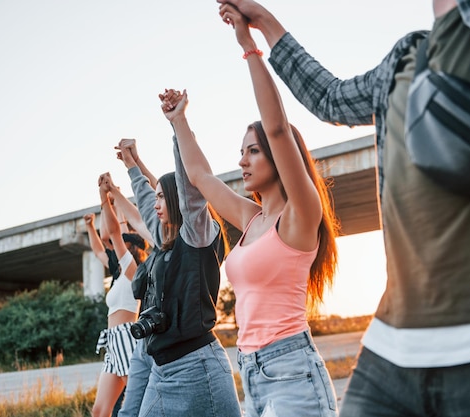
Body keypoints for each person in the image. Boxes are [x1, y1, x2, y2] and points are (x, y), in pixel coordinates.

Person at [217, 0, 470, 416]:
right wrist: (261, 24)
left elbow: (278, 132)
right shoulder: (404, 61)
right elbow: (329, 97)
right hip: (395, 348)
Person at [158, 5, 340, 416]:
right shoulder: (250, 219)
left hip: (292, 370)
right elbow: (201, 178)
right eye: (241, 152)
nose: (242, 161)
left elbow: (276, 129)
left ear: (278, 158)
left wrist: (249, 47)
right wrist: (179, 122)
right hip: (252, 371)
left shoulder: (299, 217)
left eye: (253, 152)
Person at [113, 135, 242, 416]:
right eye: (156, 196)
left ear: (176, 198)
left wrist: (177, 128)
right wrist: (132, 168)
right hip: (163, 363)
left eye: (162, 196)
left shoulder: (197, 237)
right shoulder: (165, 240)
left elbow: (189, 192)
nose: (156, 203)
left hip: (198, 365)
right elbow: (146, 205)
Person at [91, 176, 150, 417]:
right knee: (99, 410)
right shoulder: (120, 275)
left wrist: (105, 198)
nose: (118, 249)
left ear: (132, 250)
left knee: (139, 404)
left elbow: (115, 232)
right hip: (113, 342)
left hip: (127, 338)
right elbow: (114, 234)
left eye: (124, 246)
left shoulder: (132, 270)